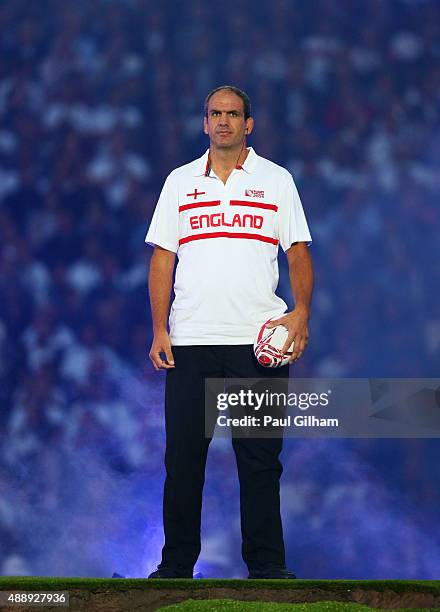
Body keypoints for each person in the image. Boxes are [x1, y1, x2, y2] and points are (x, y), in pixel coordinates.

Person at [145, 85, 313, 579]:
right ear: (204, 123)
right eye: (215, 114)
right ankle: (175, 567)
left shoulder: (277, 181)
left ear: (249, 124)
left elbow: (298, 251)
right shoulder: (178, 182)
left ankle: (267, 570)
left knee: (260, 461)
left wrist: (301, 311)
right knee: (184, 462)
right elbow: (163, 257)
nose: (223, 122)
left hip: (257, 343)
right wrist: (159, 328)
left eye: (233, 114)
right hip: (191, 340)